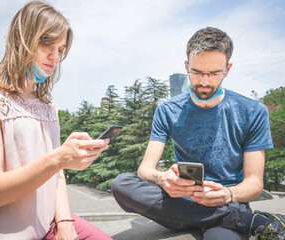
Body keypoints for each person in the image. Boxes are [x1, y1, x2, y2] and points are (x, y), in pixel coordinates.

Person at [0, 1, 113, 239]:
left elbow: (56, 172)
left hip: (49, 225)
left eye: (60, 49)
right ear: (21, 39)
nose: (55, 57)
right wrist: (59, 157)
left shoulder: (48, 105)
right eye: (46, 44)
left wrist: (66, 222)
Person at [111, 27, 285, 240]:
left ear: (227, 70)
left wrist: (228, 195)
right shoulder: (167, 110)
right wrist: (163, 178)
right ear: (187, 66)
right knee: (121, 184)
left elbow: (255, 183)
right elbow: (145, 169)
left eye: (213, 73)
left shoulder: (252, 111)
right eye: (197, 72)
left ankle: (226, 216)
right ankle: (243, 220)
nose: (204, 81)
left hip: (227, 200)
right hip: (182, 198)